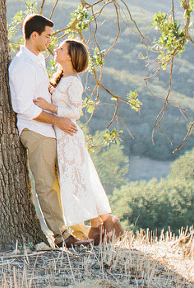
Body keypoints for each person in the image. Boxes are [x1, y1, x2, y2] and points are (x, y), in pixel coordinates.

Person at [32, 38, 125, 244]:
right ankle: (102, 222)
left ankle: (103, 222)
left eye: (61, 48)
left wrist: (50, 107)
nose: (56, 49)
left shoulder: (73, 81)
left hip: (70, 138)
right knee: (76, 182)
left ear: (71, 56)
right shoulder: (62, 78)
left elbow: (76, 111)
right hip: (62, 138)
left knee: (77, 182)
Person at [8, 13, 84, 248]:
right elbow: (23, 107)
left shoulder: (38, 61)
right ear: (34, 35)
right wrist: (57, 120)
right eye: (48, 36)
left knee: (62, 183)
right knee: (46, 184)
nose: (51, 40)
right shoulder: (22, 65)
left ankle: (78, 230)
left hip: (49, 131)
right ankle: (61, 237)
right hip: (36, 130)